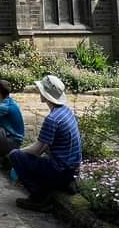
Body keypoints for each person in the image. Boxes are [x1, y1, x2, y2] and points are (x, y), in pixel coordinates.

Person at [10, 75, 83, 212]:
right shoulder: (66, 111)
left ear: (45, 95)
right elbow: (46, 145)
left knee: (15, 155)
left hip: (60, 170)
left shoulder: (52, 119)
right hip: (72, 169)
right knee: (33, 158)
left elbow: (37, 149)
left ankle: (39, 197)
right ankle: (57, 186)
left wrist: (19, 152)